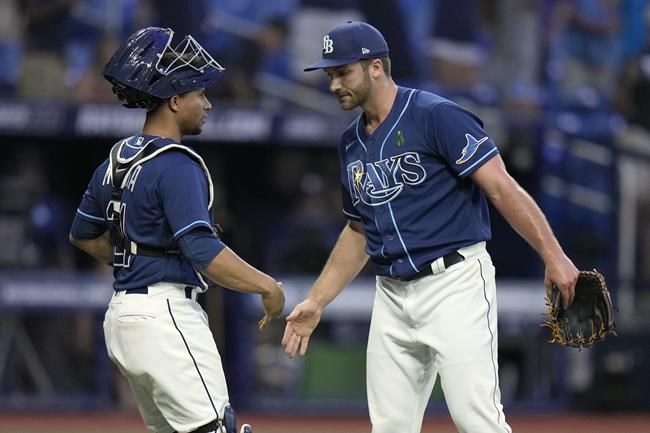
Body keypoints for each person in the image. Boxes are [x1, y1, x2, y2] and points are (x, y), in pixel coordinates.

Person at [282, 21, 579, 433]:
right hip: (391, 293)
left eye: (342, 72)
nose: (334, 84)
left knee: (476, 419)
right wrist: (317, 300)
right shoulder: (349, 143)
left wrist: (555, 256)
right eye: (330, 74)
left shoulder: (436, 115)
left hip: (453, 283)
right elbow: (358, 230)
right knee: (389, 427)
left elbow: (501, 187)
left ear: (375, 68)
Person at [69, 27, 284, 433]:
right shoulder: (177, 165)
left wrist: (132, 258)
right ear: (174, 100)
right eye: (199, 94)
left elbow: (82, 233)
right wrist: (266, 286)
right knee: (216, 429)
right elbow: (202, 248)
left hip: (123, 316)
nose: (207, 103)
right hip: (165, 314)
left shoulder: (115, 159)